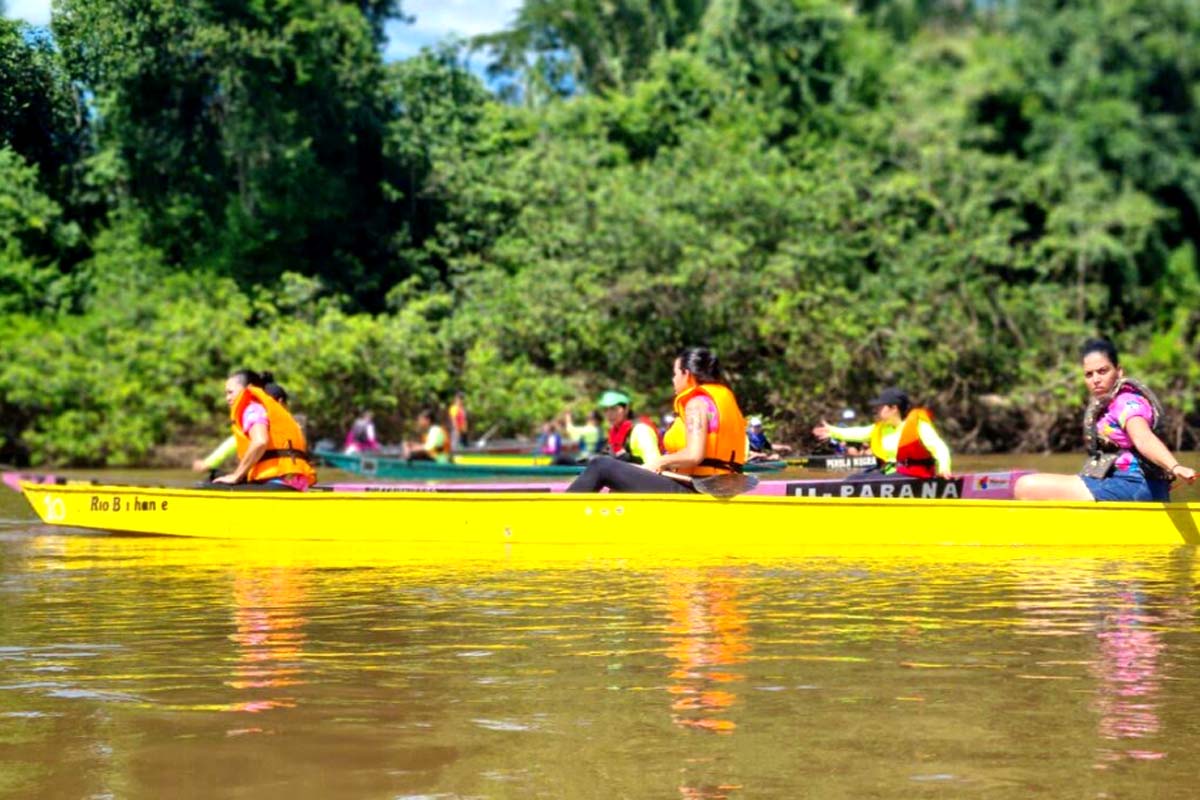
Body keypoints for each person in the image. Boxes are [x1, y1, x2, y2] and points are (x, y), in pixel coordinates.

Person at [1014, 338, 1196, 502]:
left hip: (1134, 486)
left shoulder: (1127, 403)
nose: (1096, 380)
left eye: (1102, 371)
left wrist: (1175, 467)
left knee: (1026, 486)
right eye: (1089, 374)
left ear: (1119, 371)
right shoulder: (1108, 404)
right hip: (1121, 483)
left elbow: (1143, 439)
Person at [567, 347, 747, 493]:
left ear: (687, 374)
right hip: (716, 486)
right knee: (619, 482)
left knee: (601, 465)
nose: (673, 379)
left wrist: (658, 462)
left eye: (675, 373)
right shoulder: (721, 400)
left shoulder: (696, 404)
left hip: (697, 489)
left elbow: (694, 455)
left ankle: (558, 514)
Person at [812, 387, 952, 478]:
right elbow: (858, 433)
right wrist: (832, 431)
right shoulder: (881, 428)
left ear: (893, 408)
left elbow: (939, 447)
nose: (876, 410)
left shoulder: (918, 426)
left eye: (880, 407)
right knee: (853, 479)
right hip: (890, 472)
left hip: (915, 474)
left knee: (868, 481)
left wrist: (944, 468)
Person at [212, 370, 316, 490]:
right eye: (226, 394)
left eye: (230, 392)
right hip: (296, 481)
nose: (228, 398)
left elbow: (260, 442)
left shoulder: (252, 409)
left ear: (248, 388)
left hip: (278, 480)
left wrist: (236, 475)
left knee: (215, 483)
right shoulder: (273, 409)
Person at [192, 382, 292, 474]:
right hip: (296, 480)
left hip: (270, 478)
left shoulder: (258, 418)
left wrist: (208, 463)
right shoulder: (293, 426)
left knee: (214, 477)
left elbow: (234, 442)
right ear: (281, 401)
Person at [598, 390, 661, 464]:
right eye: (605, 410)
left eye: (614, 409)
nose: (609, 414)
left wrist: (630, 459)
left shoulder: (641, 430)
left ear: (626, 409)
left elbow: (655, 464)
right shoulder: (615, 431)